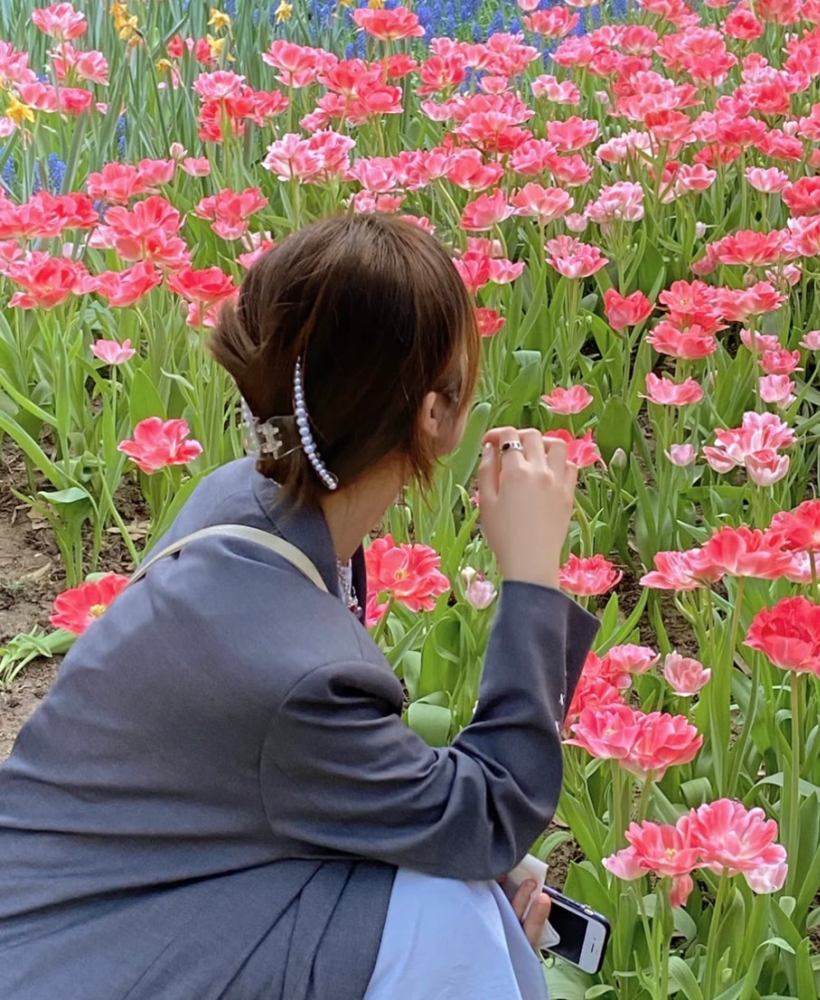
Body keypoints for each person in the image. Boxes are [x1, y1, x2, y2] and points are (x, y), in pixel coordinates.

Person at [0, 214, 599, 1000]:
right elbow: (485, 816)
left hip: (70, 899)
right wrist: (531, 578)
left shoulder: (241, 503)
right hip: (70, 959)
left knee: (449, 891)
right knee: (455, 916)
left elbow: (310, 783)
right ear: (431, 415)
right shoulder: (293, 668)